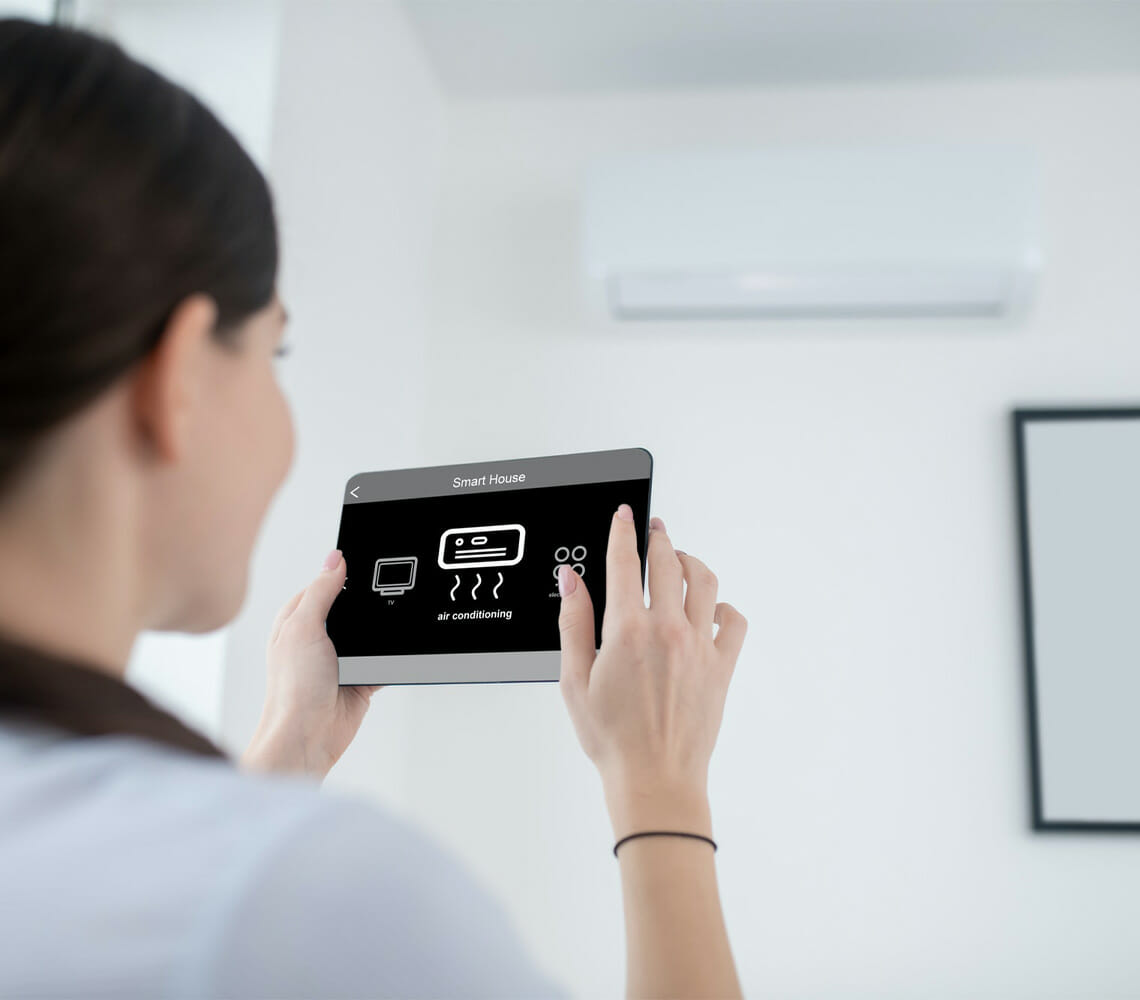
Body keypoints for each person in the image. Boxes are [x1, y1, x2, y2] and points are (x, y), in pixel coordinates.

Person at [0, 18, 749, 999]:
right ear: (178, 377)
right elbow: (228, 916)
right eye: (275, 354)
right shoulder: (323, 895)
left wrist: (290, 749)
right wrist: (660, 783)